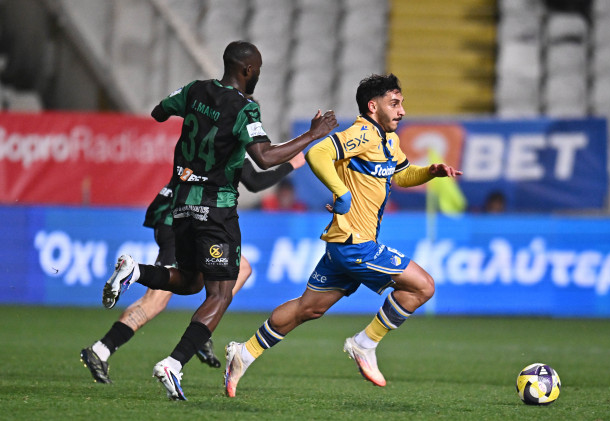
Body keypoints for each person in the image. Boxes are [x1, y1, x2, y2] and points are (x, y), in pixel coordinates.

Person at [99, 40, 338, 400]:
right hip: (216, 208)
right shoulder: (244, 109)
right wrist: (312, 134)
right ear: (247, 70)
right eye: (257, 70)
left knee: (191, 282)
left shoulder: (194, 90)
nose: (258, 75)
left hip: (181, 204)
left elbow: (158, 112)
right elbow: (265, 158)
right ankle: (173, 364)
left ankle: (136, 271)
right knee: (221, 293)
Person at [223, 73, 462, 397]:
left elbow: (402, 175)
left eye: (402, 103)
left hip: (344, 243)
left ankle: (245, 352)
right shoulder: (362, 134)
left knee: (308, 308)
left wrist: (429, 172)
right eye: (394, 103)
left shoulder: (388, 140)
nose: (402, 110)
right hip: (355, 245)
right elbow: (318, 153)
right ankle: (365, 343)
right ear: (373, 106)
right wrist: (341, 191)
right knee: (423, 286)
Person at [80, 152, 306, 384]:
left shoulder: (205, 133)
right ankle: (101, 349)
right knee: (156, 300)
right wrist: (292, 163)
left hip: (183, 214)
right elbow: (255, 179)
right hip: (183, 219)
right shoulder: (234, 137)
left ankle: (202, 326)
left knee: (241, 268)